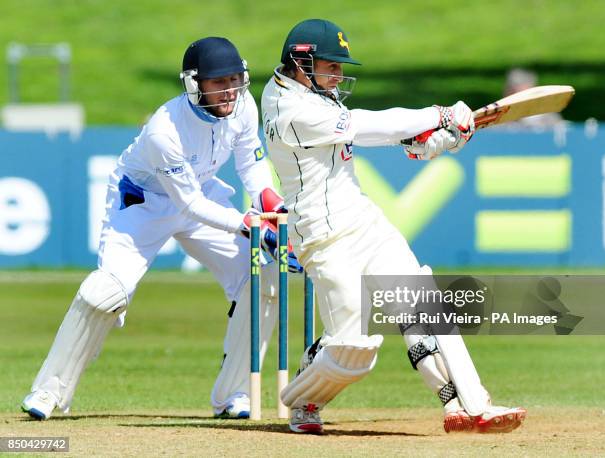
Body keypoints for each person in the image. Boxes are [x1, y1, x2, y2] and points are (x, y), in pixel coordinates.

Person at [261, 19, 527, 434]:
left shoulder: (314, 92)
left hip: (364, 221)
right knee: (353, 349)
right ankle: (301, 399)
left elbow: (376, 137)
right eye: (330, 66)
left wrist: (430, 141)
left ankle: (468, 403)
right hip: (323, 239)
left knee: (420, 301)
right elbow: (364, 126)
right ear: (301, 61)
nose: (338, 75)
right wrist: (437, 114)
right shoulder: (286, 108)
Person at [21, 37, 298, 420]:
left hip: (200, 189)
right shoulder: (163, 131)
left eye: (235, 79)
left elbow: (251, 164)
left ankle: (233, 395)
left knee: (264, 280)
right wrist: (251, 227)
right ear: (194, 83)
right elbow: (188, 205)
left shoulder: (243, 105)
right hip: (143, 204)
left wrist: (269, 204)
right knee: (104, 293)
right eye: (219, 82)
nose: (230, 90)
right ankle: (49, 393)